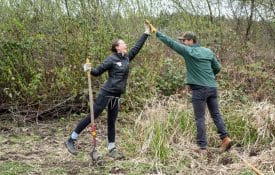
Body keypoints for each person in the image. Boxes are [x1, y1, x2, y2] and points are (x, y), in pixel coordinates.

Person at [65, 24, 151, 158]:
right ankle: (71, 139)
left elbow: (137, 47)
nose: (126, 45)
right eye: (123, 43)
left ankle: (112, 149)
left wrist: (146, 33)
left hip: (116, 96)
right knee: (92, 117)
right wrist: (88, 68)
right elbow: (98, 71)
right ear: (117, 47)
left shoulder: (127, 57)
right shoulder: (111, 59)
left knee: (112, 121)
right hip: (106, 93)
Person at [145, 22, 232, 154]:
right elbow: (218, 67)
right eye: (182, 41)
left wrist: (155, 32)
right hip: (212, 87)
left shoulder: (188, 51)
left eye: (184, 40)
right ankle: (225, 138)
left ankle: (202, 147)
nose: (183, 42)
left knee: (200, 117)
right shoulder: (208, 51)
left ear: (191, 40)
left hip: (199, 89)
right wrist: (209, 76)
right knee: (216, 114)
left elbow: (171, 43)